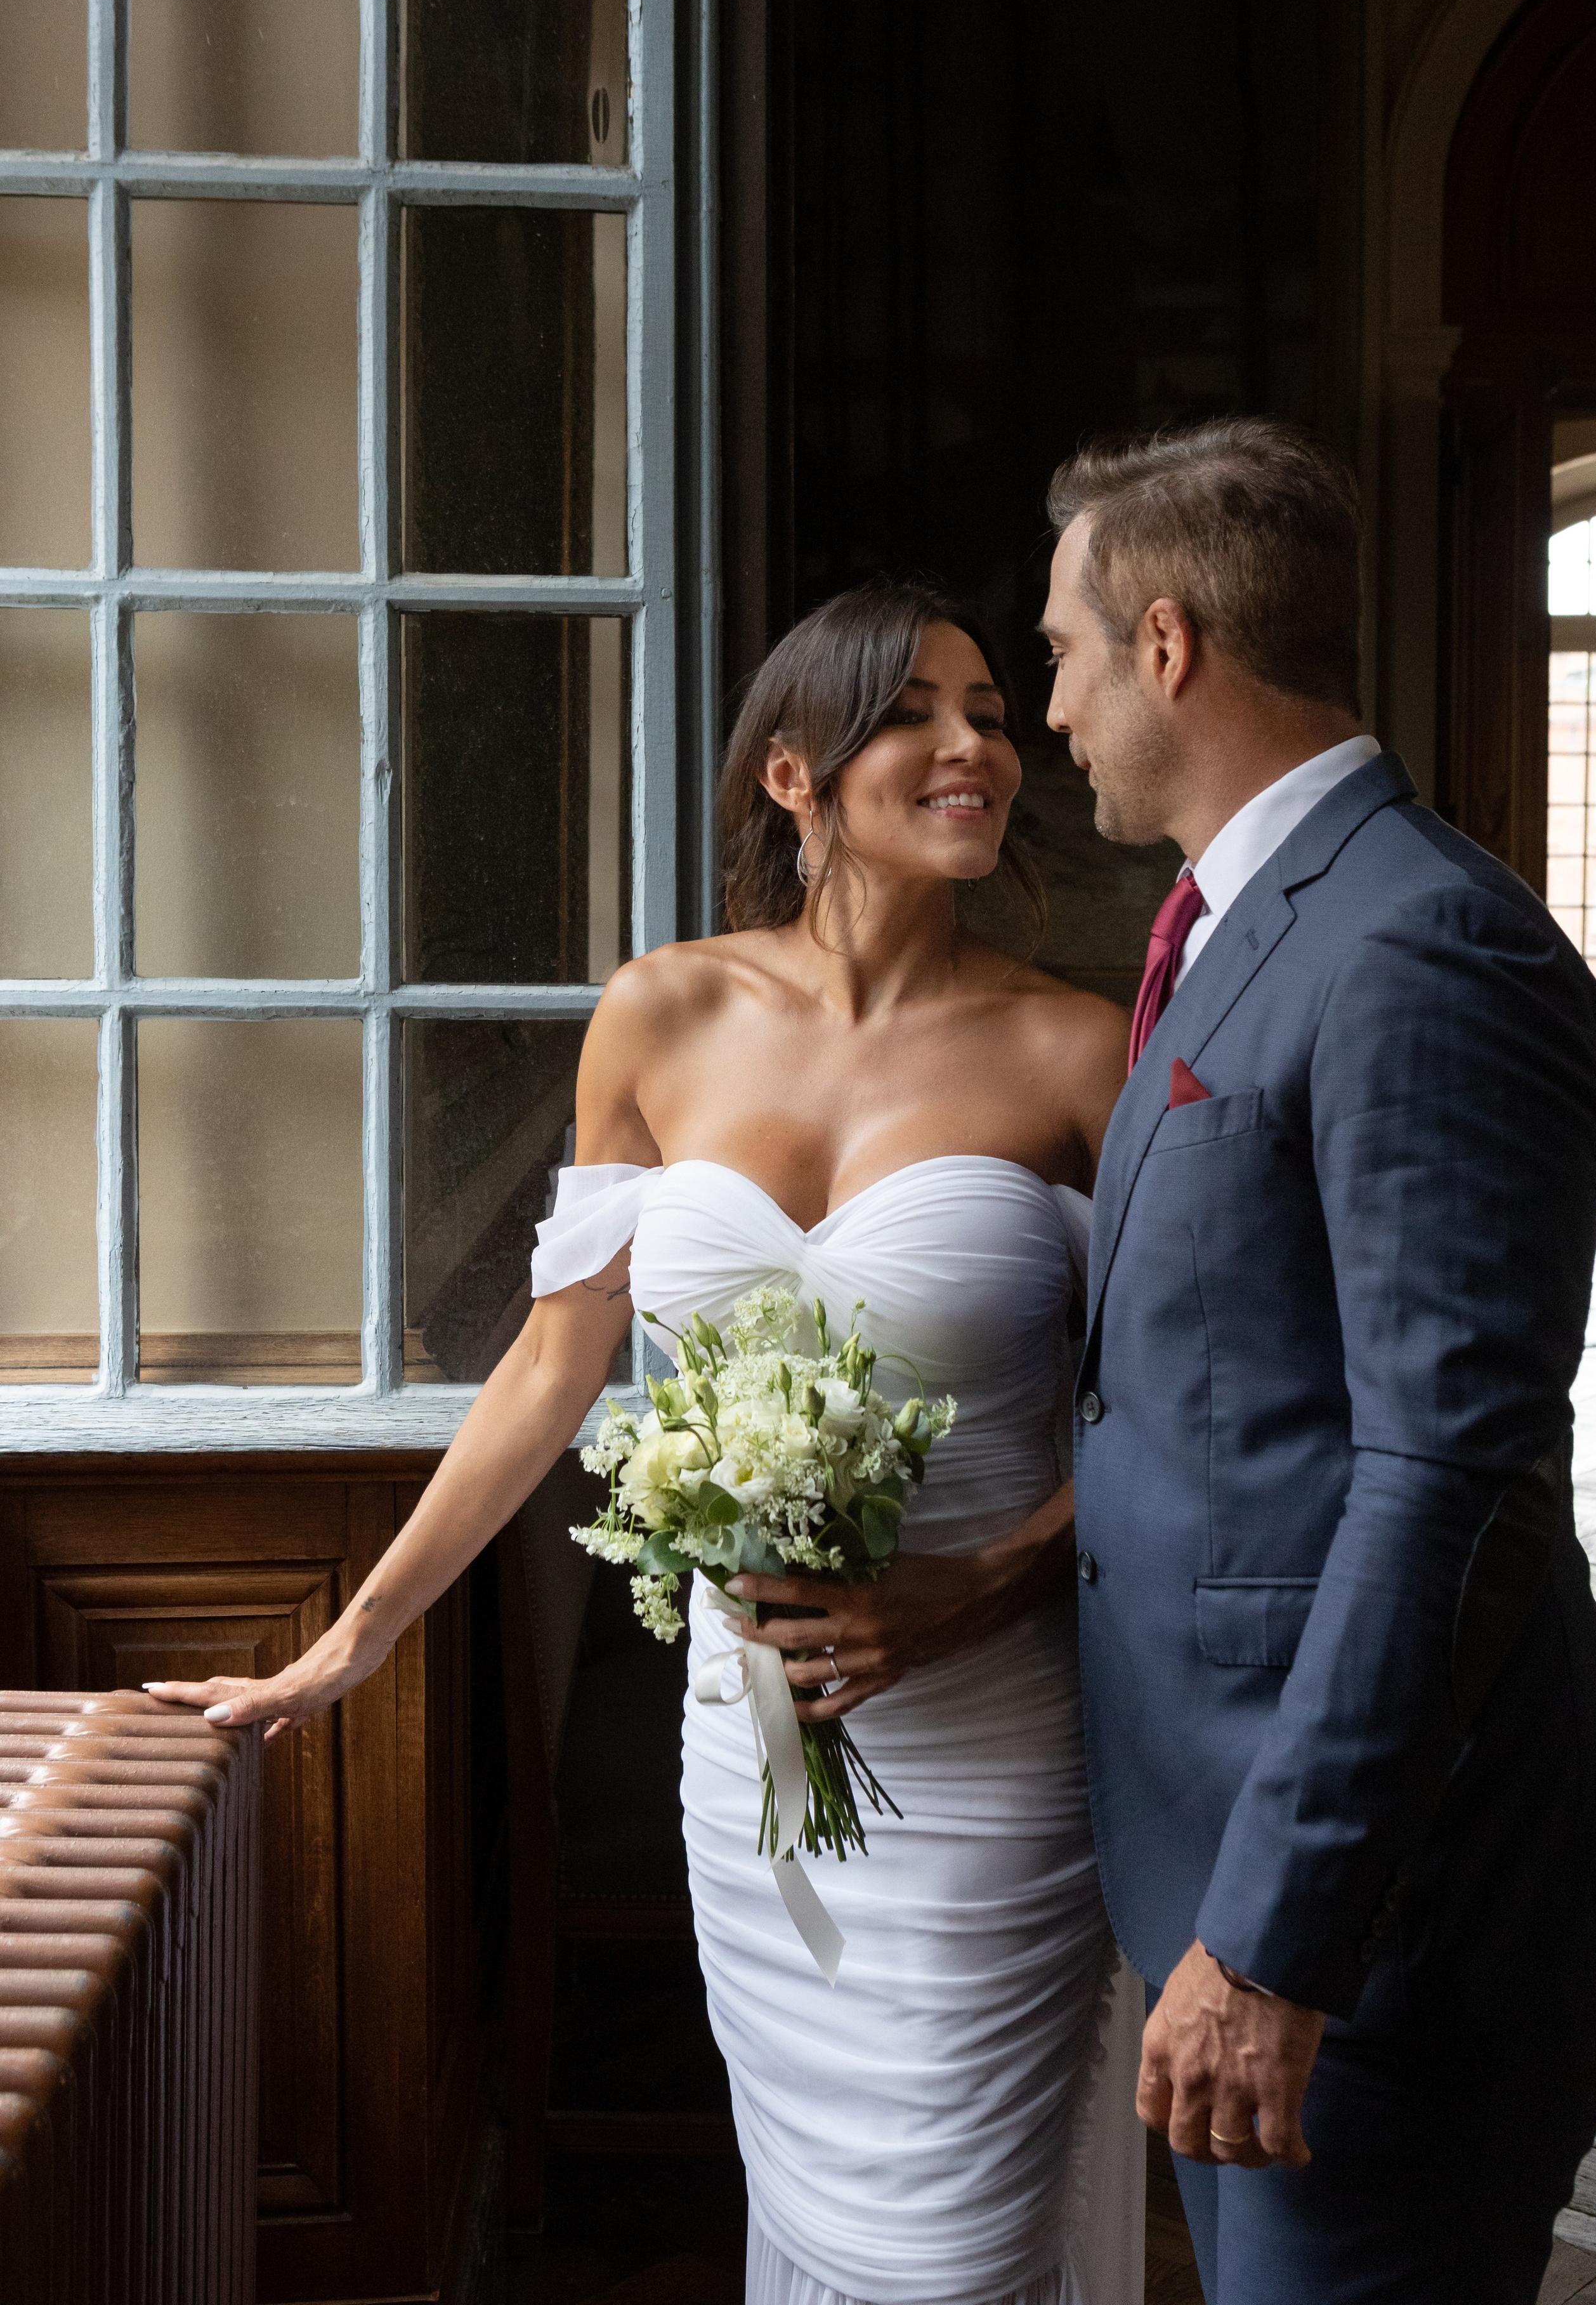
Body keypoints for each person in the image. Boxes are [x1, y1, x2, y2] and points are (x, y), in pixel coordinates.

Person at [145, 579, 1144, 2305]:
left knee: (954, 2241)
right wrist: (356, 1635)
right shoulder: (660, 1017)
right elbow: (558, 1360)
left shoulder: (1082, 1051)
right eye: (915, 710)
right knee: (820, 2209)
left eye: (991, 707)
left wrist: (974, 1586)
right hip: (753, 1744)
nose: (977, 743)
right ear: (791, 776)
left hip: (1002, 1741)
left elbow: (1177, 1418)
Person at [1042, 416, 1596, 2304]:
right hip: (1241, 1864)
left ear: (1167, 642)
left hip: (1389, 1926)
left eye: (1060, 649)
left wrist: (1280, 1946)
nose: (1050, 708)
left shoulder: (1422, 943)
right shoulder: (1231, 929)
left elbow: (1449, 1482)